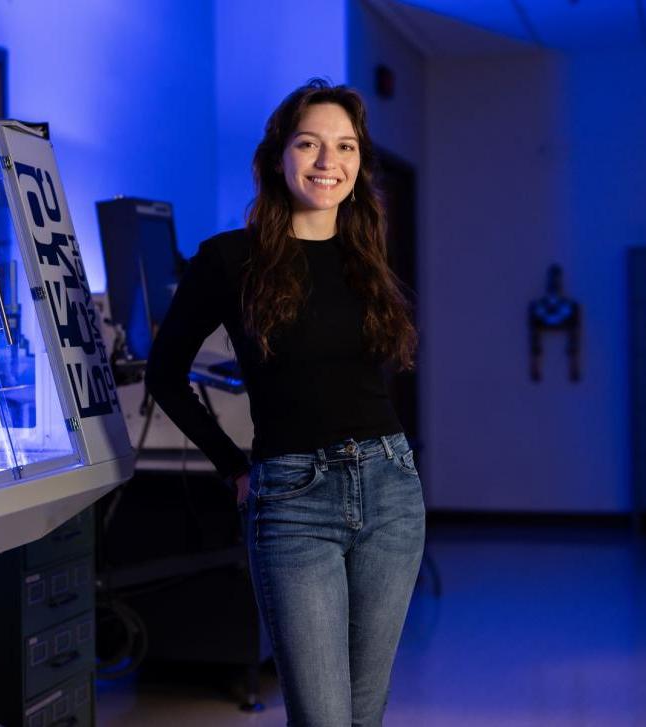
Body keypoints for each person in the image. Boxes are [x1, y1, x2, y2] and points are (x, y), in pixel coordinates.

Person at [145, 78, 424, 726]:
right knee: (323, 718)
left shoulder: (365, 256)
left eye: (345, 146)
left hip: (391, 488)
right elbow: (164, 371)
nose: (330, 162)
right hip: (293, 502)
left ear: (360, 162)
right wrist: (229, 462)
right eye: (310, 143)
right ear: (278, 156)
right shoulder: (229, 259)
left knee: (363, 713)